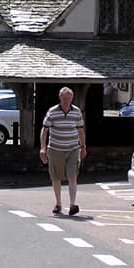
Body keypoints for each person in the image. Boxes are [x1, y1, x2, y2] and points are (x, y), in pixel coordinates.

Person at [39, 87, 87, 216]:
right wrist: (43, 148)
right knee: (56, 177)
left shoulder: (76, 112)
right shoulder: (52, 112)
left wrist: (83, 147)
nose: (66, 101)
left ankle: (72, 205)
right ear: (60, 98)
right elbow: (45, 130)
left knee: (73, 176)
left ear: (72, 98)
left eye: (69, 98)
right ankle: (58, 203)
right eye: (64, 98)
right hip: (55, 149)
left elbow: (80, 131)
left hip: (72, 148)